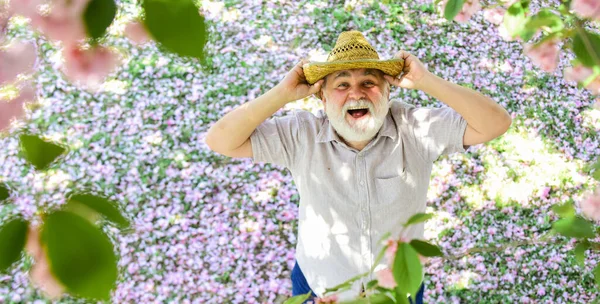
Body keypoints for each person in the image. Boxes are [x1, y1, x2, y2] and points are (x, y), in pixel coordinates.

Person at [205, 31, 511, 302]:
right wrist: (283, 94)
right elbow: (221, 141)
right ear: (322, 97)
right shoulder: (301, 135)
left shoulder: (416, 128)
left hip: (396, 290)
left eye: (369, 82)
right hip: (321, 287)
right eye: (342, 84)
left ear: (389, 92)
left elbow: (496, 123)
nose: (356, 93)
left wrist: (426, 81)